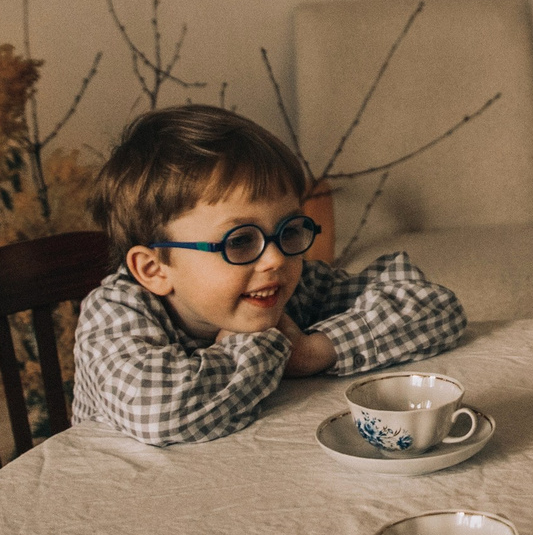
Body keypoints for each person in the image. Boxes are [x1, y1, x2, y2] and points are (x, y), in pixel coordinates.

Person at [76, 104, 466, 445]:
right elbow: (161, 414)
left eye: (289, 230)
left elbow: (436, 307)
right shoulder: (114, 313)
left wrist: (315, 351)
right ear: (154, 270)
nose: (275, 258)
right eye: (239, 241)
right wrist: (261, 345)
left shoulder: (287, 287)